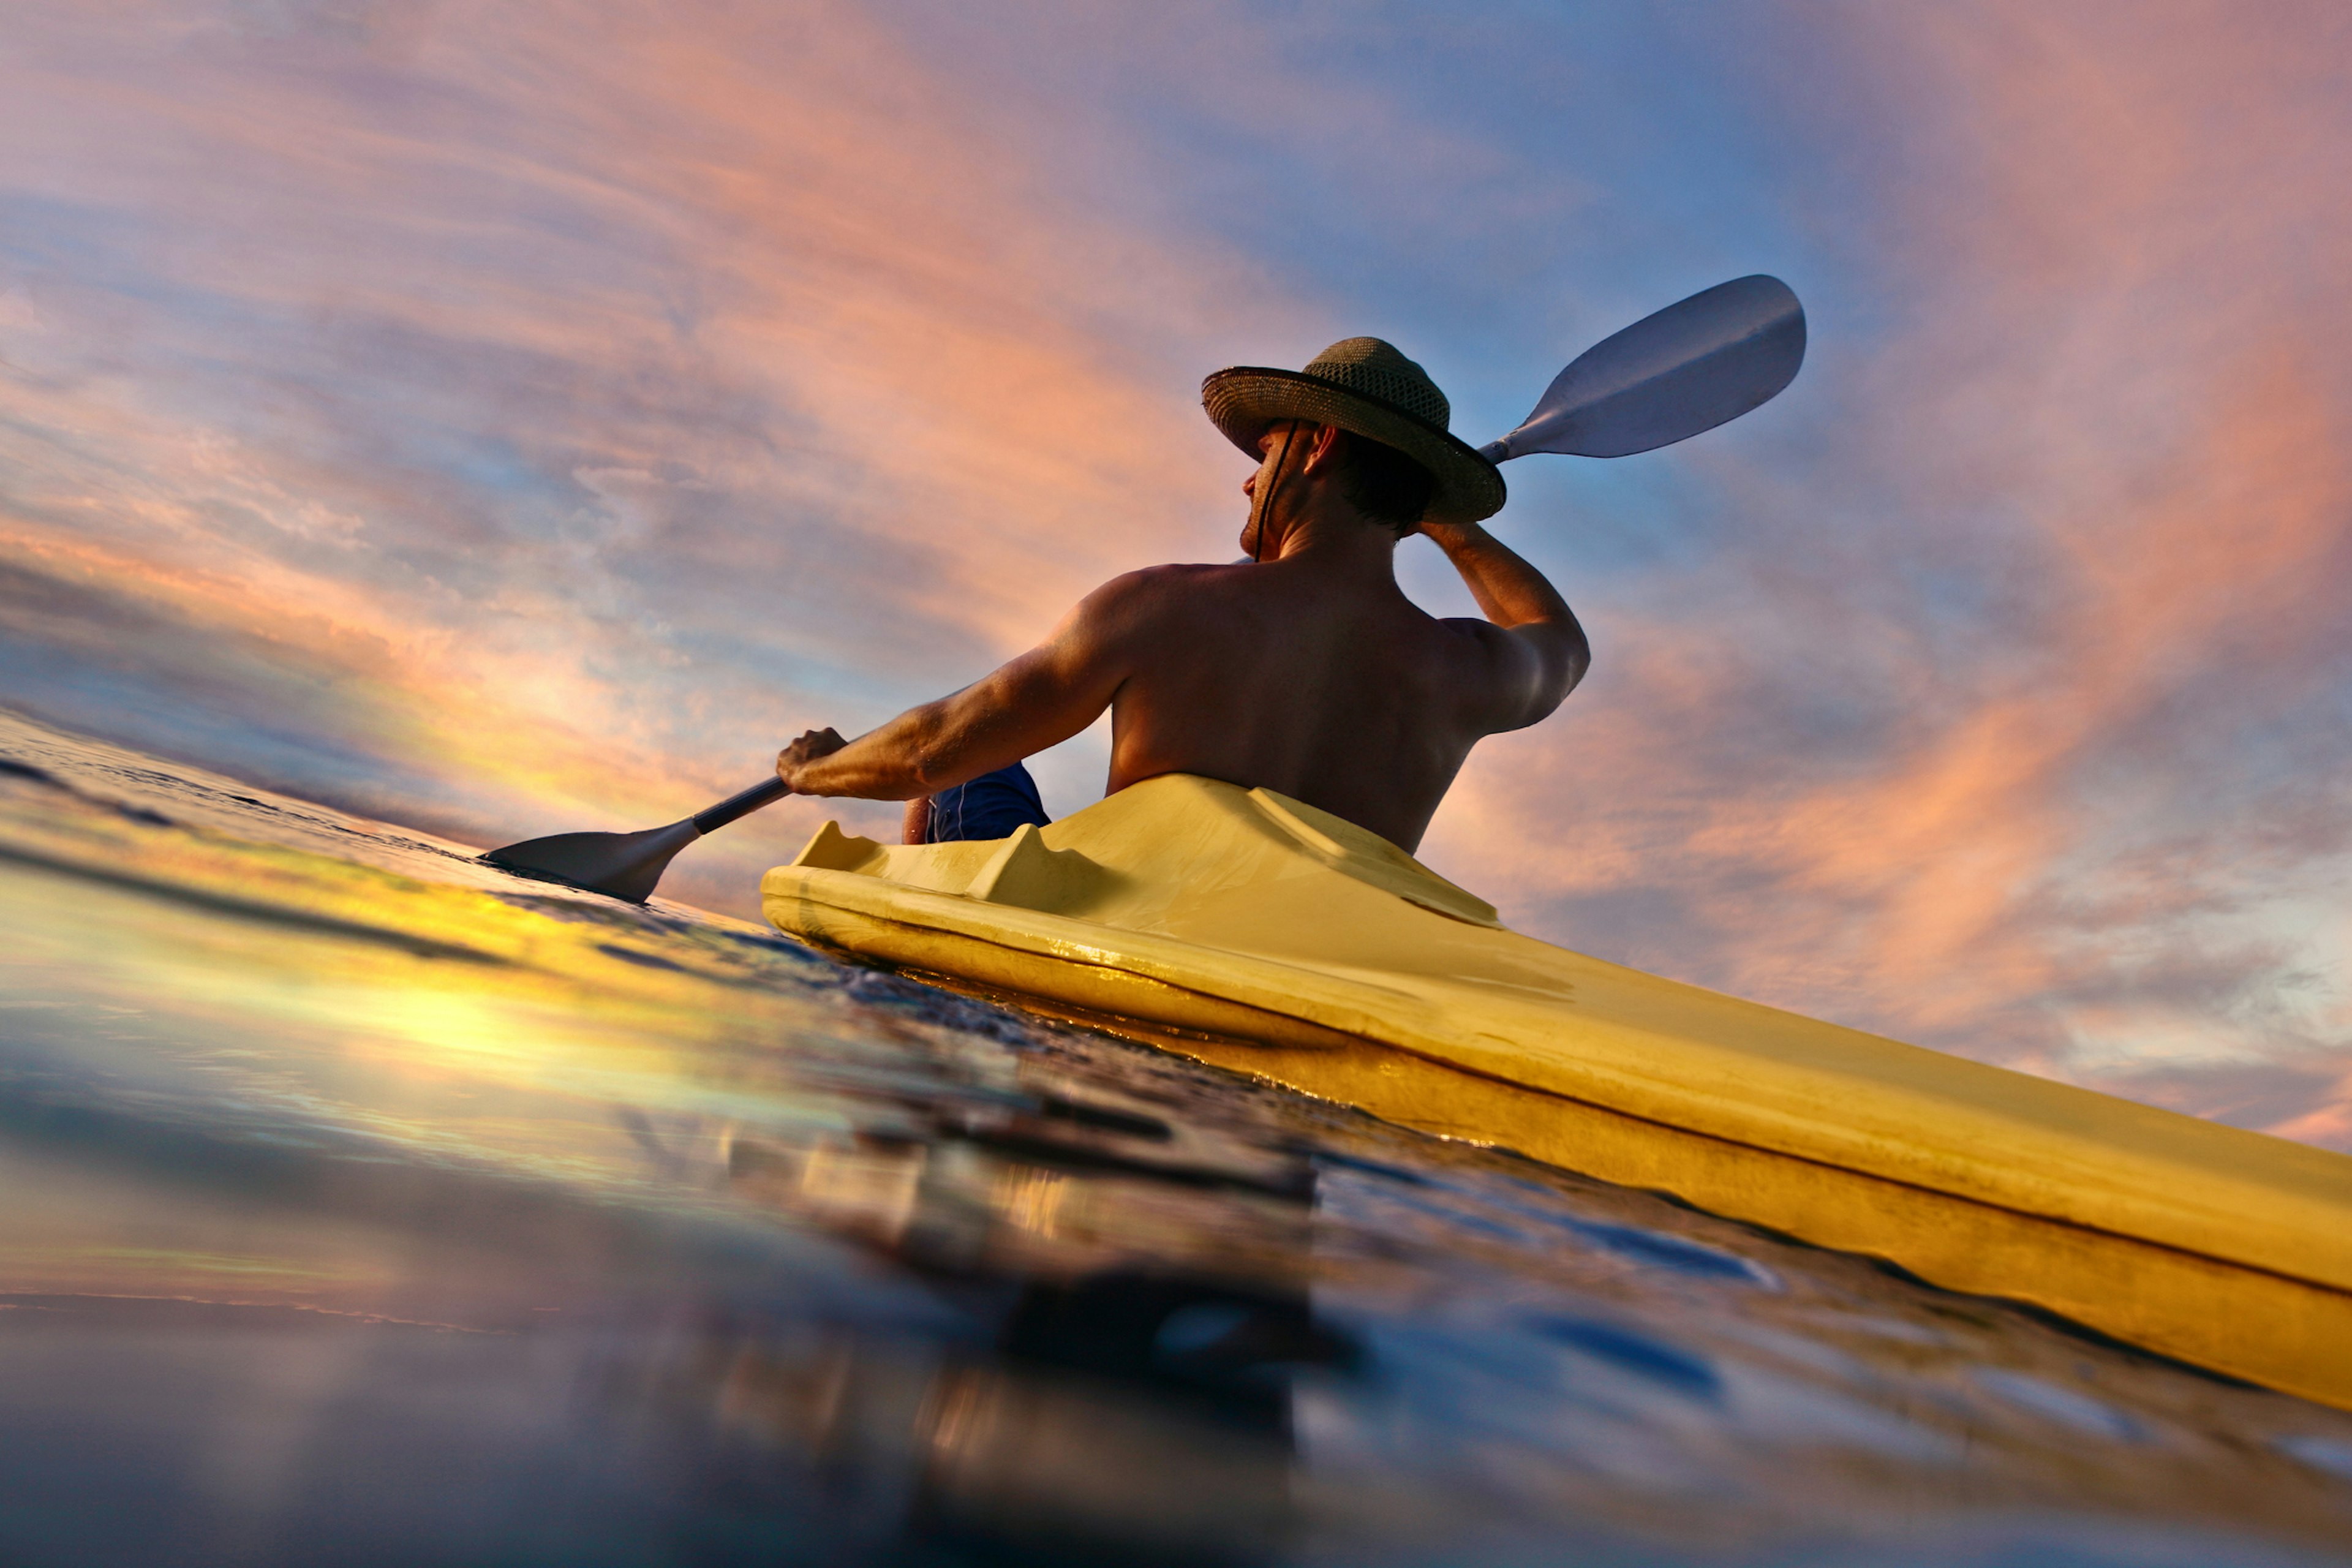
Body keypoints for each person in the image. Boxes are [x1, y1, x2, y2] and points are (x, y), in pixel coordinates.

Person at [775, 337, 1589, 855]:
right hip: (1300, 963)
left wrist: (820, 771)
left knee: (972, 764)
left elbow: (932, 747)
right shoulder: (1467, 671)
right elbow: (1560, 641)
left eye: (1267, 451)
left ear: (1320, 446)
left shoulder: (1163, 607)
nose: (1248, 477)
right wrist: (1435, 515)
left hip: (1126, 942)